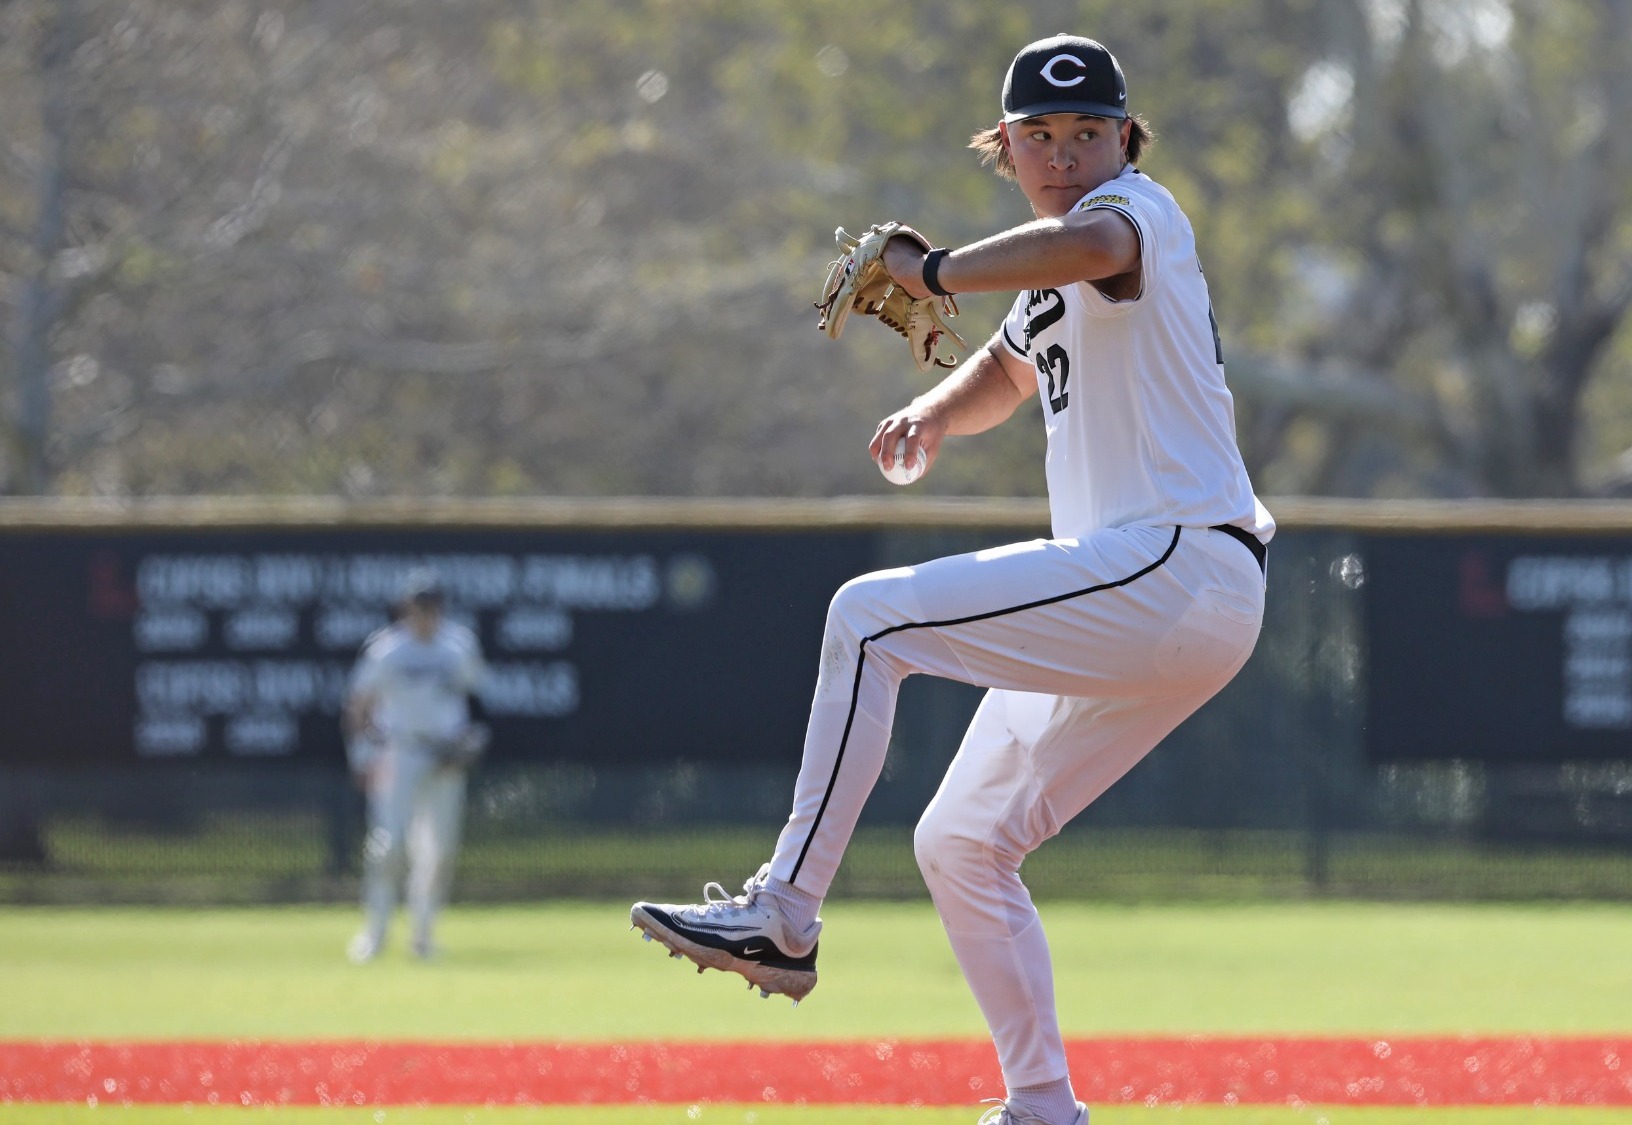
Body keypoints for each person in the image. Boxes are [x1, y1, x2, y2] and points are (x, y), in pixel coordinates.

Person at [631, 33, 1272, 1125]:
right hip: (1160, 595)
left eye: (1086, 132)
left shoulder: (1137, 216)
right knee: (961, 843)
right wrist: (931, 413)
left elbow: (1080, 248)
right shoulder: (1052, 269)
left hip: (1174, 561)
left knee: (868, 620)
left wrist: (930, 270)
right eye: (1040, 137)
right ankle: (1040, 1104)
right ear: (1005, 148)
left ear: (1125, 138)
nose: (1065, 153)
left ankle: (784, 911)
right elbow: (1008, 366)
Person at [344, 569, 488, 963]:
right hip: (401, 752)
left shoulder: (457, 645)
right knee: (388, 846)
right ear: (406, 608)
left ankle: (422, 935)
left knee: (438, 851)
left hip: (444, 756)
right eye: (419, 605)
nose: (426, 613)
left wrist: (466, 741)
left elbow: (474, 697)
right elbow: (360, 703)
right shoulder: (388, 649)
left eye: (432, 605)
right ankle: (374, 932)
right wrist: (361, 754)